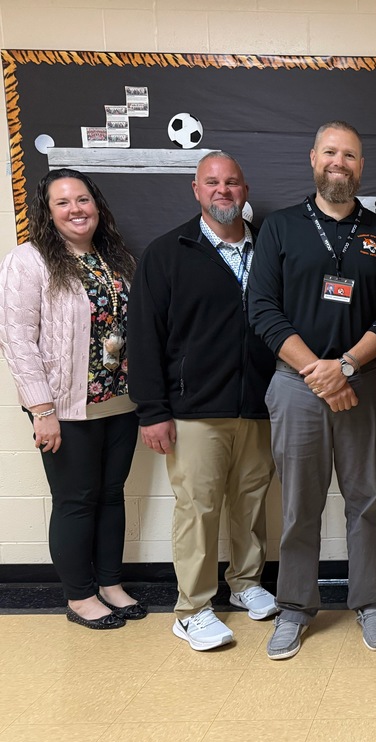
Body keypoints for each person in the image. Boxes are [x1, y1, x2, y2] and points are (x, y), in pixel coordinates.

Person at [248, 120, 376, 659]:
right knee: (299, 504)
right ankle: (295, 606)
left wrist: (344, 366)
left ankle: (367, 600)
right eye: (331, 153)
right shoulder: (281, 228)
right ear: (313, 158)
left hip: (363, 383)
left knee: (365, 500)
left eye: (350, 155)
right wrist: (319, 371)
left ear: (361, 167)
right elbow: (263, 310)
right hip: (296, 385)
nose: (339, 163)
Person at [129, 152, 278, 652]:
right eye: (212, 182)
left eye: (232, 182)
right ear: (196, 190)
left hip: (258, 404)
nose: (223, 191)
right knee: (197, 507)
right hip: (194, 411)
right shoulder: (168, 252)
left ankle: (246, 583)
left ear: (245, 188)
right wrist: (152, 410)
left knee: (251, 501)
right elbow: (144, 337)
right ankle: (192, 608)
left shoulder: (270, 249)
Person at [0, 169, 143, 629]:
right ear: (47, 211)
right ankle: (80, 596)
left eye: (83, 199)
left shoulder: (113, 258)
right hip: (64, 407)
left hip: (119, 402)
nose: (76, 209)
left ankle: (110, 584)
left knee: (111, 496)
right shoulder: (29, 261)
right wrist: (42, 411)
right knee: (76, 500)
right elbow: (17, 340)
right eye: (63, 202)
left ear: (96, 205)